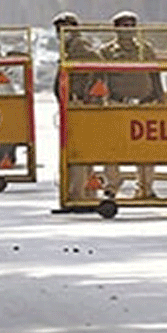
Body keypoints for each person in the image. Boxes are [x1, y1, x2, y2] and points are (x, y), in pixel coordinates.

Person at [101, 10, 163, 199]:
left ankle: (145, 187)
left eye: (131, 25)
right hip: (117, 104)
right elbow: (101, 78)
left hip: (144, 105)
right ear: (116, 29)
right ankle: (112, 185)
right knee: (112, 147)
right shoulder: (107, 52)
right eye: (124, 25)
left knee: (145, 148)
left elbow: (155, 75)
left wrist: (159, 96)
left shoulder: (146, 49)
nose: (128, 29)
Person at [52, 11, 101, 201]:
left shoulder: (78, 45)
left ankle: (78, 192)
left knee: (78, 150)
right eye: (58, 28)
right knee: (79, 149)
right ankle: (85, 191)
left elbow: (95, 61)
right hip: (72, 104)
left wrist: (86, 92)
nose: (61, 32)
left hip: (79, 103)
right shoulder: (68, 46)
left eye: (65, 27)